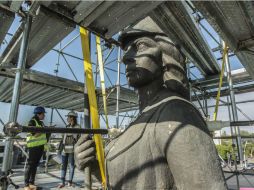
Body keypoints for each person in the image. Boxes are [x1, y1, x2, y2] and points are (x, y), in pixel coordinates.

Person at [74, 17, 228, 189]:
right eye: (126, 50)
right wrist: (94, 165)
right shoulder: (145, 116)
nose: (126, 58)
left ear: (165, 54)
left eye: (140, 46)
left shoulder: (176, 113)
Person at [25, 106, 47, 190]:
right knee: (30, 165)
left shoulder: (40, 122)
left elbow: (41, 133)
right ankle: (26, 185)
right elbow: (35, 134)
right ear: (39, 114)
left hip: (40, 146)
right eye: (43, 114)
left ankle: (31, 183)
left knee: (34, 165)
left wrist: (45, 129)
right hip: (34, 147)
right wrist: (44, 130)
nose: (44, 116)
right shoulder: (32, 122)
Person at [58, 111, 81, 188]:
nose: (67, 118)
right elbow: (63, 139)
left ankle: (70, 182)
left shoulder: (77, 127)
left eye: (68, 117)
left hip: (72, 150)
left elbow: (77, 138)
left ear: (72, 118)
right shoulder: (66, 126)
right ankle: (62, 182)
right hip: (65, 149)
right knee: (63, 165)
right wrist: (60, 149)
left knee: (71, 166)